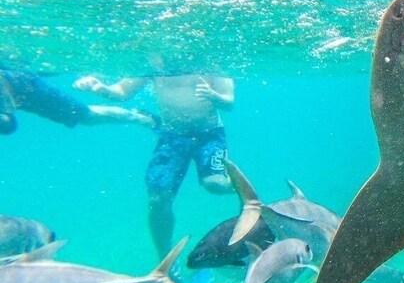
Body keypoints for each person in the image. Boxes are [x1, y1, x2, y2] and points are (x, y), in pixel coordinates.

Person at [74, 69, 235, 259]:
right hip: (172, 136)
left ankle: (241, 188)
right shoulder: (154, 64)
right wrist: (99, 88)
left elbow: (229, 102)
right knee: (157, 199)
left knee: (215, 184)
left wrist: (214, 96)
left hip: (209, 135)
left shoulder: (210, 65)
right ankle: (165, 257)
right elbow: (122, 92)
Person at [0, 69, 154, 135]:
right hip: (16, 87)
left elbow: (9, 125)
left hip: (30, 89)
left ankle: (137, 117)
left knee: (86, 116)